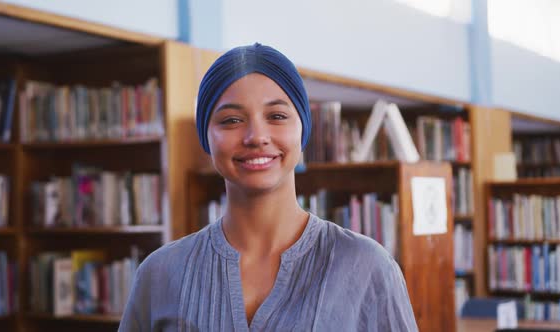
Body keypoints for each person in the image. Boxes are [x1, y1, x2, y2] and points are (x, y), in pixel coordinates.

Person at [119, 43, 418, 332]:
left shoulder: (367, 267)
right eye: (231, 120)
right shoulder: (159, 274)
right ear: (205, 137)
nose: (256, 136)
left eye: (276, 116)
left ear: (302, 130)